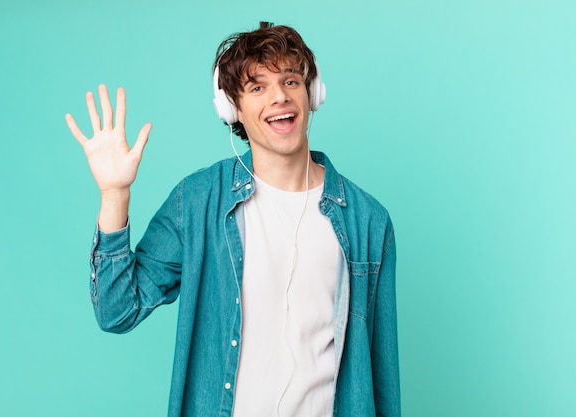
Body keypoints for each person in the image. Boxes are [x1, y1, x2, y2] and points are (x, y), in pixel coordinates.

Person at [66, 22, 400, 417]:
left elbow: (381, 375)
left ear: (312, 95)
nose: (279, 97)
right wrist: (114, 194)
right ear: (232, 109)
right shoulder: (197, 200)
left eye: (291, 81)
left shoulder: (367, 221)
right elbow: (116, 311)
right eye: (258, 87)